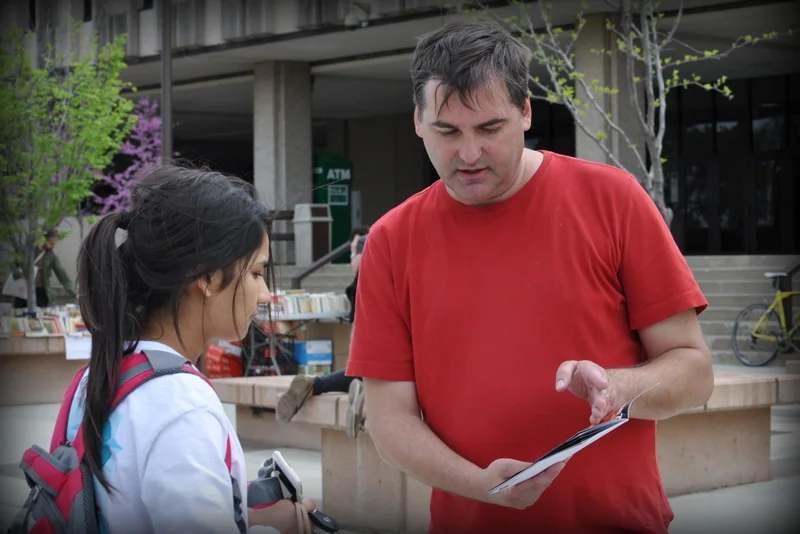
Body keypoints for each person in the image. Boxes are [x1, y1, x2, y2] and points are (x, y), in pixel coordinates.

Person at [345, 20, 714, 534]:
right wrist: (483, 487)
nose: (468, 154)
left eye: (489, 129)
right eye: (447, 132)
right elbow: (389, 421)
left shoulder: (613, 199)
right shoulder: (390, 241)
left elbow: (695, 372)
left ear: (525, 112)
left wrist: (617, 386)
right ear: (417, 121)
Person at [71, 165, 314, 534]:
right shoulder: (181, 406)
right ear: (207, 277)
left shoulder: (101, 373)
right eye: (256, 273)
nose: (265, 295)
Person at [276, 227, 369, 438]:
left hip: (369, 341)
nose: (352, 257)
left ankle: (316, 384)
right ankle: (366, 397)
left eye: (355, 251)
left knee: (362, 372)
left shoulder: (363, 276)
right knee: (375, 375)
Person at [12, 228, 76, 309]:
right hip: (23, 289)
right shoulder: (27, 251)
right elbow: (14, 267)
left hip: (41, 290)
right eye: (51, 243)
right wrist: (19, 274)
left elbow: (62, 274)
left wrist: (73, 293)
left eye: (54, 244)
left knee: (40, 316)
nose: (53, 246)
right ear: (44, 240)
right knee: (20, 313)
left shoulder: (50, 255)